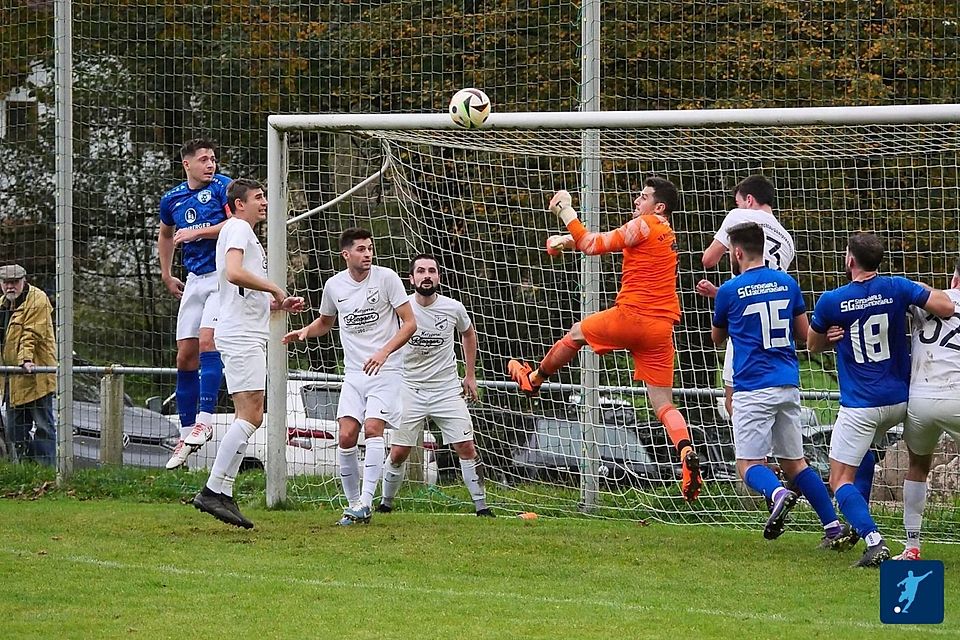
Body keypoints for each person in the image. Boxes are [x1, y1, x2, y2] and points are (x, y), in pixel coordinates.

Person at [507, 176, 702, 502]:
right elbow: (600, 241)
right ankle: (685, 453)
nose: (637, 201)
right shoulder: (667, 233)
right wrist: (567, 242)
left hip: (632, 316)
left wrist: (566, 211)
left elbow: (592, 245)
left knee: (576, 333)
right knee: (664, 404)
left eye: (644, 196)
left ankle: (534, 379)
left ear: (659, 206)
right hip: (661, 328)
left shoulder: (644, 223)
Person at [808, 232, 955, 567]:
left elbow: (812, 345)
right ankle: (857, 527)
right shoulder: (896, 287)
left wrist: (830, 336)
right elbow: (946, 306)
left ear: (850, 260)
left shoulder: (832, 300)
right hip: (901, 401)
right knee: (866, 458)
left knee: (838, 478)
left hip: (862, 405)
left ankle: (873, 539)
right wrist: (909, 293)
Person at [709, 223, 856, 548]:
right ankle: (833, 528)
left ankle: (778, 494)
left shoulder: (730, 290)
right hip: (787, 383)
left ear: (736, 252)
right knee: (795, 462)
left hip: (751, 386)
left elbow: (717, 339)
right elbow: (805, 335)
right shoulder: (787, 283)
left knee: (748, 464)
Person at [191, 178, 304, 528]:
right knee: (251, 415)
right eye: (258, 197)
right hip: (241, 336)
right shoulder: (239, 228)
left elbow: (240, 290)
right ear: (239, 204)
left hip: (246, 332)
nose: (265, 202)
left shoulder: (244, 233)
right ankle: (213, 490)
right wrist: (273, 286)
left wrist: (278, 303)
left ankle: (222, 491)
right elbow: (234, 272)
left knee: (251, 415)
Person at [283, 228, 416, 525]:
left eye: (370, 248)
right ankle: (354, 504)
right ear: (346, 254)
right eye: (360, 249)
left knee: (372, 429)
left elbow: (409, 324)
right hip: (354, 374)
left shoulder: (387, 279)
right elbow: (325, 322)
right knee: (345, 435)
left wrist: (383, 352)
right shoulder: (334, 286)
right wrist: (306, 331)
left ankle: (367, 502)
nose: (367, 253)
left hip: (387, 370)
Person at [377, 254, 494, 517]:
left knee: (466, 447)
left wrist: (470, 374)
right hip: (409, 389)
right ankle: (385, 504)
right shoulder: (401, 308)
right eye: (421, 271)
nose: (426, 275)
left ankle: (482, 507)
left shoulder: (453, 307)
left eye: (432, 271)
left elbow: (468, 333)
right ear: (412, 278)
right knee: (398, 452)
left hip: (446, 389)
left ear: (438, 277)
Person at [158, 138, 232, 470]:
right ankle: (186, 434)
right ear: (186, 163)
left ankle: (205, 418)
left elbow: (236, 225)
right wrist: (166, 273)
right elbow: (165, 234)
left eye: (213, 159)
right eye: (203, 159)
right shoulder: (171, 198)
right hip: (193, 280)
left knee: (207, 342)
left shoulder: (223, 188)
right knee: (185, 355)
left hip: (221, 277)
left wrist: (198, 233)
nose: (210, 164)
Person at [697, 175, 796, 419]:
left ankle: (753, 455)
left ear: (749, 200)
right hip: (777, 331)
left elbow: (708, 260)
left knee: (735, 401)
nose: (738, 207)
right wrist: (721, 293)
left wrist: (724, 294)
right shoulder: (787, 240)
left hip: (744, 326)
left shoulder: (738, 217)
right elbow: (763, 288)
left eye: (739, 202)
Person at [895, 260, 960, 560]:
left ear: (954, 278)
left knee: (918, 467)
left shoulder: (928, 297)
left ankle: (912, 545)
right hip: (957, 396)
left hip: (920, 397)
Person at [1, 264, 57, 466]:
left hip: (36, 375)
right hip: (12, 380)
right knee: (15, 429)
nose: (10, 287)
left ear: (24, 281)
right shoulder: (2, 305)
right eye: (6, 282)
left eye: (14, 282)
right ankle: (23, 469)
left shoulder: (38, 300)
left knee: (43, 425)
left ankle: (47, 470)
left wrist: (25, 360)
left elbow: (31, 334)